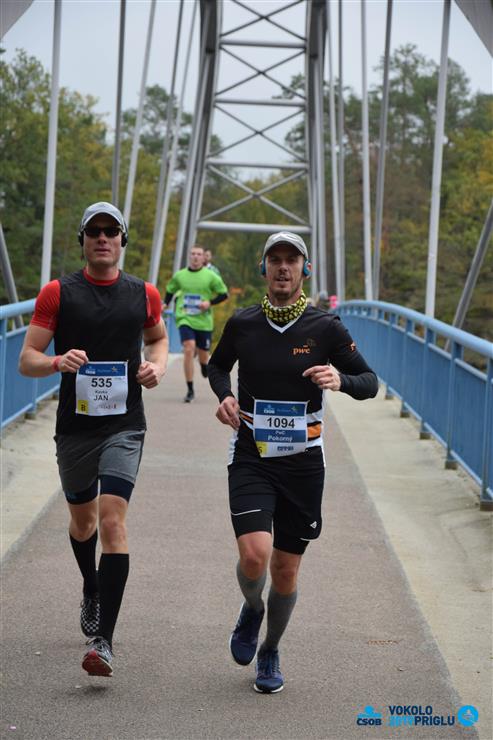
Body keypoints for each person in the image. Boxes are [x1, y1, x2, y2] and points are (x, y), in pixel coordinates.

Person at [208, 231, 378, 693]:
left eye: (292, 260)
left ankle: (270, 649)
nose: (283, 267)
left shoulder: (327, 328)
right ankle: (252, 608)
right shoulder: (243, 323)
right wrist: (224, 395)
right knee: (254, 555)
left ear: (305, 269)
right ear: (263, 268)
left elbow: (370, 382)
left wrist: (340, 379)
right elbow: (217, 366)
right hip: (251, 454)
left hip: (304, 462)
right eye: (275, 260)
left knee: (285, 570)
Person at [18, 202, 168, 678]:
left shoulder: (143, 293)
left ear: (122, 240)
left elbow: (158, 339)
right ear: (83, 239)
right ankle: (91, 585)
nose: (103, 238)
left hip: (125, 425)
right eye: (94, 231)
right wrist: (55, 362)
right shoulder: (58, 292)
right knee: (83, 524)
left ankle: (103, 641)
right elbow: (26, 358)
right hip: (75, 429)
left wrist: (156, 366)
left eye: (111, 231)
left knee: (112, 522)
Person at [163, 244, 228, 403]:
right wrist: (165, 304)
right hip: (184, 317)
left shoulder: (210, 276)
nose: (195, 257)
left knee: (203, 355)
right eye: (193, 254)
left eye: (199, 254)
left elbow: (224, 294)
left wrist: (209, 303)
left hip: (203, 321)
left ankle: (204, 365)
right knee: (188, 348)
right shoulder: (180, 275)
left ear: (203, 257)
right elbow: (170, 289)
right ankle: (190, 389)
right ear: (189, 256)